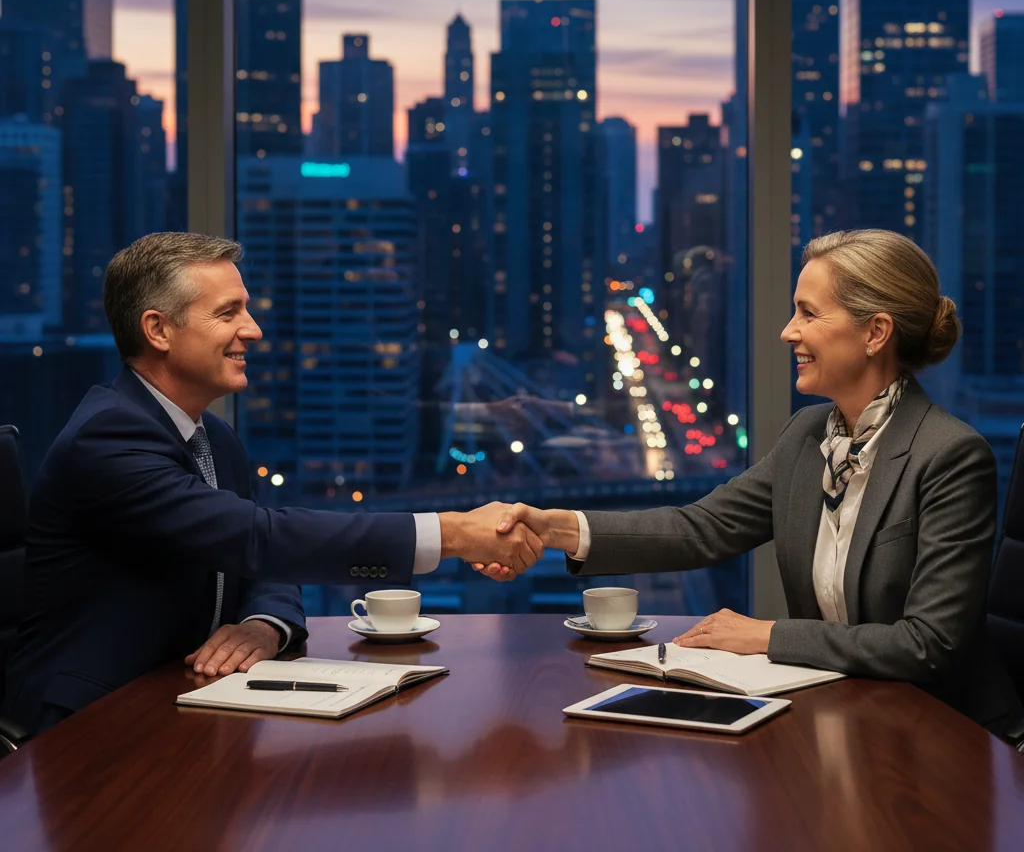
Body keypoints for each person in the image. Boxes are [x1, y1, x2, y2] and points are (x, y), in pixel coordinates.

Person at [487, 230, 1023, 737]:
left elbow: (928, 644)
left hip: (943, 738)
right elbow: (701, 528)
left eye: (809, 314)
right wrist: (555, 528)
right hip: (845, 714)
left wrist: (765, 635)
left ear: (875, 333)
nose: (788, 331)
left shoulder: (950, 456)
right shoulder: (807, 436)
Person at [1, 233, 539, 734]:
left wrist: (265, 624)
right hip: (86, 725)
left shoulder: (212, 435)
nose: (253, 329)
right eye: (228, 312)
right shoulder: (109, 438)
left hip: (185, 700)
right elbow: (261, 538)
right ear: (158, 330)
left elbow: (263, 560)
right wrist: (451, 532)